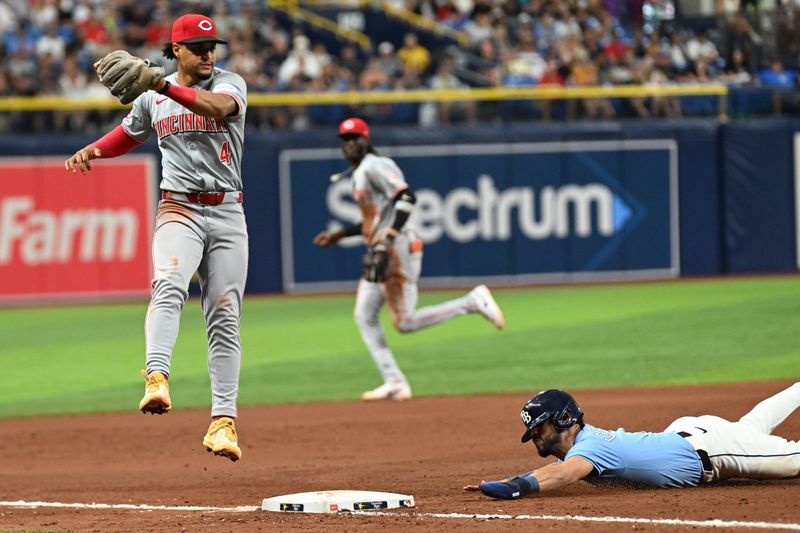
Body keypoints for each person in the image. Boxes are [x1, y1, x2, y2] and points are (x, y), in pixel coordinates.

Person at [64, 13, 248, 462]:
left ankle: (223, 423)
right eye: (198, 48)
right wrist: (95, 149)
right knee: (168, 283)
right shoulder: (153, 95)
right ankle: (156, 377)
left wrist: (160, 86)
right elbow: (129, 133)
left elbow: (218, 109)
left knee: (224, 315)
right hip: (178, 206)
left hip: (227, 211)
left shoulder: (230, 83)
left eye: (212, 47)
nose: (208, 54)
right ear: (176, 50)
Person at [312, 117, 506, 401]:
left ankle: (472, 301)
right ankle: (394, 381)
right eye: (345, 139)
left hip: (397, 247)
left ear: (366, 139)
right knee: (364, 314)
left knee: (404, 322)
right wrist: (341, 234)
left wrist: (388, 237)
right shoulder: (360, 171)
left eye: (354, 138)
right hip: (380, 245)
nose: (350, 144)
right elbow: (375, 218)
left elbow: (407, 198)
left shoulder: (376, 165)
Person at [465, 385, 800, 499]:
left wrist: (513, 489)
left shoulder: (588, 449)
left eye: (540, 426)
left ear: (564, 419)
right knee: (751, 427)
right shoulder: (585, 446)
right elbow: (559, 469)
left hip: (715, 450)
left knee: (792, 459)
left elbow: (563, 475)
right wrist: (507, 480)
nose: (535, 435)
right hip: (695, 434)